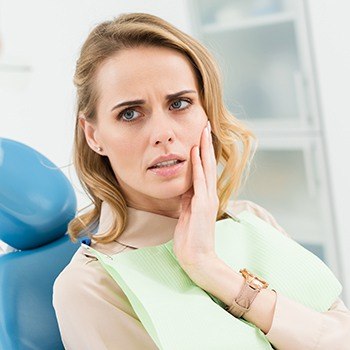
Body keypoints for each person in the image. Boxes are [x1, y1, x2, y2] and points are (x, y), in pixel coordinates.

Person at [53, 12, 350, 349]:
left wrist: (211, 269)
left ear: (205, 112)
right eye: (130, 113)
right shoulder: (92, 286)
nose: (163, 134)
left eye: (179, 103)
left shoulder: (251, 219)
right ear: (94, 135)